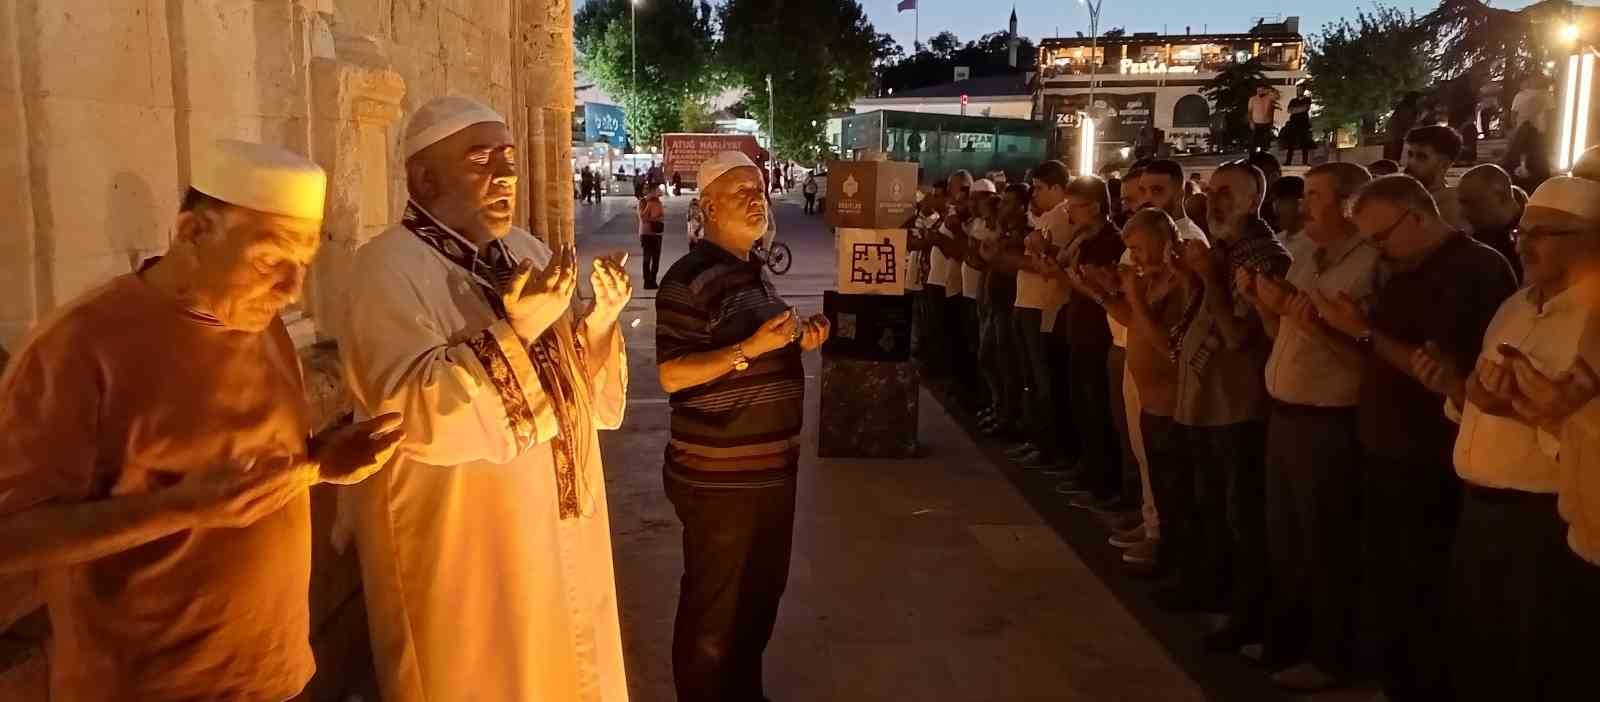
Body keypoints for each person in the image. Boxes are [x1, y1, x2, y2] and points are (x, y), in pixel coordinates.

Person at [0, 139, 403, 700]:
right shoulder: (79, 345)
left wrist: (317, 464)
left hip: (275, 671)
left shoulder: (263, 325)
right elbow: (13, 537)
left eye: (303, 265)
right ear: (191, 232)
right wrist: (182, 508)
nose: (290, 291)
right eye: (269, 260)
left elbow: (240, 483)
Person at [339, 96, 634, 702]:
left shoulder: (524, 250)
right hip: (471, 546)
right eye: (480, 162)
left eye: (508, 159)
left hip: (556, 530)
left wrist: (600, 325)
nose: (505, 176)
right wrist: (518, 330)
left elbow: (575, 391)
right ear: (424, 178)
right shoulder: (383, 270)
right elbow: (416, 417)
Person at [1308, 174, 1517, 702]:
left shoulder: (1475, 270)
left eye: (1380, 237)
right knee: (1387, 577)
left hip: (1430, 452)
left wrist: (1360, 330)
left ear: (1418, 217)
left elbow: (1435, 368)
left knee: (1423, 584)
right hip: (1384, 441)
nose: (1377, 249)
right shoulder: (1402, 268)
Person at [655, 150, 830, 702]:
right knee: (716, 608)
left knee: (758, 598)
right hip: (719, 477)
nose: (757, 200)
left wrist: (799, 338)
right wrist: (750, 349)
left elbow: (762, 347)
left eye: (759, 189)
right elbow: (671, 375)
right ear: (706, 208)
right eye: (740, 193)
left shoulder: (750, 275)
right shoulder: (688, 279)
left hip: (770, 472)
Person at [1433, 176, 1600, 702]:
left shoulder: (1593, 322)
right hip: (1482, 511)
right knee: (1482, 653)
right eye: (1523, 231)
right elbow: (1483, 403)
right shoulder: (1516, 306)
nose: (1524, 244)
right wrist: (1460, 393)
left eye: (1545, 233)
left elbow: (1580, 434)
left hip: (1545, 522)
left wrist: (1535, 414)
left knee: (1537, 662)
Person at [1240, 162, 1378, 690]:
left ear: (1348, 204)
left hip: (1327, 419)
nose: (1303, 206)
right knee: (1286, 537)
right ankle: (1287, 638)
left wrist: (1303, 319)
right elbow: (1284, 331)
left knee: (1323, 542)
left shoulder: (1366, 267)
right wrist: (1263, 306)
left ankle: (1330, 655)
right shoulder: (1302, 254)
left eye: (1316, 196)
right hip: (1286, 408)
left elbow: (1358, 349)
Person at [1168, 162, 1291, 653]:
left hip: (1237, 403)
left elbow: (1240, 336)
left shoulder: (1263, 257)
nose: (1212, 202)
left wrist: (1209, 279)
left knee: (1241, 513)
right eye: (1211, 191)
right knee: (1209, 502)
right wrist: (1193, 277)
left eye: (1226, 194)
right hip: (1207, 396)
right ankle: (1211, 590)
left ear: (1252, 202)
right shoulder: (1222, 249)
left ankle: (1247, 611)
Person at [1050, 176, 1126, 514]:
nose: (1070, 214)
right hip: (1077, 326)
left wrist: (1072, 280)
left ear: (1095, 206)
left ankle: (1103, 481)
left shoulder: (1110, 241)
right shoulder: (1082, 236)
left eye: (1074, 207)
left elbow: (1099, 290)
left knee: (1098, 406)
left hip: (1099, 332)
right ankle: (1086, 467)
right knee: (1081, 400)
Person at [1457, 164, 1525, 281]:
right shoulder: (1480, 236)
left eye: (1471, 203)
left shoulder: (1533, 238)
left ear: (1501, 196)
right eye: (1462, 204)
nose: (1463, 214)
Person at [1403, 125, 1470, 232]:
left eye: (1421, 157)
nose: (1411, 162)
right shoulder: (1407, 196)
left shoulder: (1451, 205)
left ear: (1444, 164)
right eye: (1410, 155)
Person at [1503, 75, 1555, 184]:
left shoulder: (1544, 94)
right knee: (1535, 154)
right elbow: (1550, 114)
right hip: (1532, 130)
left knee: (1529, 153)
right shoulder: (1544, 95)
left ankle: (1525, 173)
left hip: (1531, 130)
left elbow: (1513, 114)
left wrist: (1515, 128)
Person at [1264, 175, 1305, 245]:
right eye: (1274, 200)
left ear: (1301, 202)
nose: (1275, 206)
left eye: (1283, 200)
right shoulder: (1275, 242)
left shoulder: (1318, 244)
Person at [639, 184, 666, 289]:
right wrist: (655, 219)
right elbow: (643, 217)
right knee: (647, 258)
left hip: (657, 234)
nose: (660, 191)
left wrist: (656, 218)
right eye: (657, 190)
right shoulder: (644, 202)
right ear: (652, 191)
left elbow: (662, 216)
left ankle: (653, 280)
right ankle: (647, 281)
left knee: (656, 259)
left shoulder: (658, 203)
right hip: (647, 234)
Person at [1281, 88, 1316, 165]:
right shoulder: (1293, 100)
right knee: (1291, 144)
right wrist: (1300, 109)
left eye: (1301, 89)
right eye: (1298, 89)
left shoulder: (1307, 99)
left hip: (1303, 125)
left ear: (1303, 91)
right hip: (1293, 125)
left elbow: (1306, 108)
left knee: (1304, 144)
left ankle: (1304, 162)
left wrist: (1295, 110)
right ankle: (1288, 161)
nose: (1299, 91)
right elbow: (1289, 110)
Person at [1385, 91, 1422, 162]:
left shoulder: (1406, 107)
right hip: (1395, 135)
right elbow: (1407, 122)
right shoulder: (1406, 108)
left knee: (1394, 155)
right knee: (1392, 156)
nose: (1420, 102)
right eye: (1419, 100)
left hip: (1396, 135)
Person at [1248, 85, 1279, 153]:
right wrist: (1251, 122)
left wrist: (1269, 91)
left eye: (1261, 90)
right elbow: (1250, 112)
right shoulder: (1252, 99)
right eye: (1258, 90)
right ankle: (1253, 156)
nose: (1260, 92)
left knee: (1265, 143)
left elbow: (1276, 98)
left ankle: (1263, 156)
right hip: (1256, 123)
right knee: (1254, 142)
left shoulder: (1269, 98)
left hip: (1266, 123)